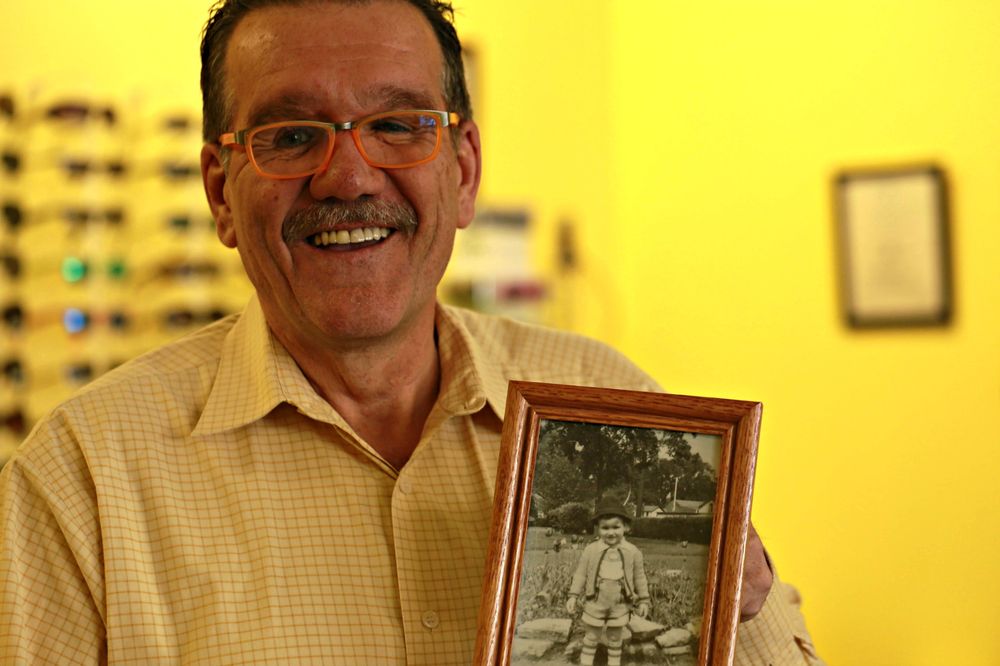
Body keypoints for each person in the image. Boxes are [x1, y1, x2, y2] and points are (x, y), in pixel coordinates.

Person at [0, 1, 823, 663]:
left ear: (462, 171)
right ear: (220, 191)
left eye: (397, 126)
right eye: (292, 137)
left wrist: (740, 600)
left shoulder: (607, 399)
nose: (348, 177)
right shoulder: (82, 484)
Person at [566, 503, 650, 666]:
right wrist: (573, 596)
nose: (611, 532)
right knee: (591, 636)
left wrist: (644, 600)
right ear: (597, 528)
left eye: (616, 527)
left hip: (620, 603)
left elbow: (639, 577)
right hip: (595, 601)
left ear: (625, 527)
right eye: (605, 528)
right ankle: (586, 663)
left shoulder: (633, 552)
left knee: (615, 638)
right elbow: (581, 574)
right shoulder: (591, 550)